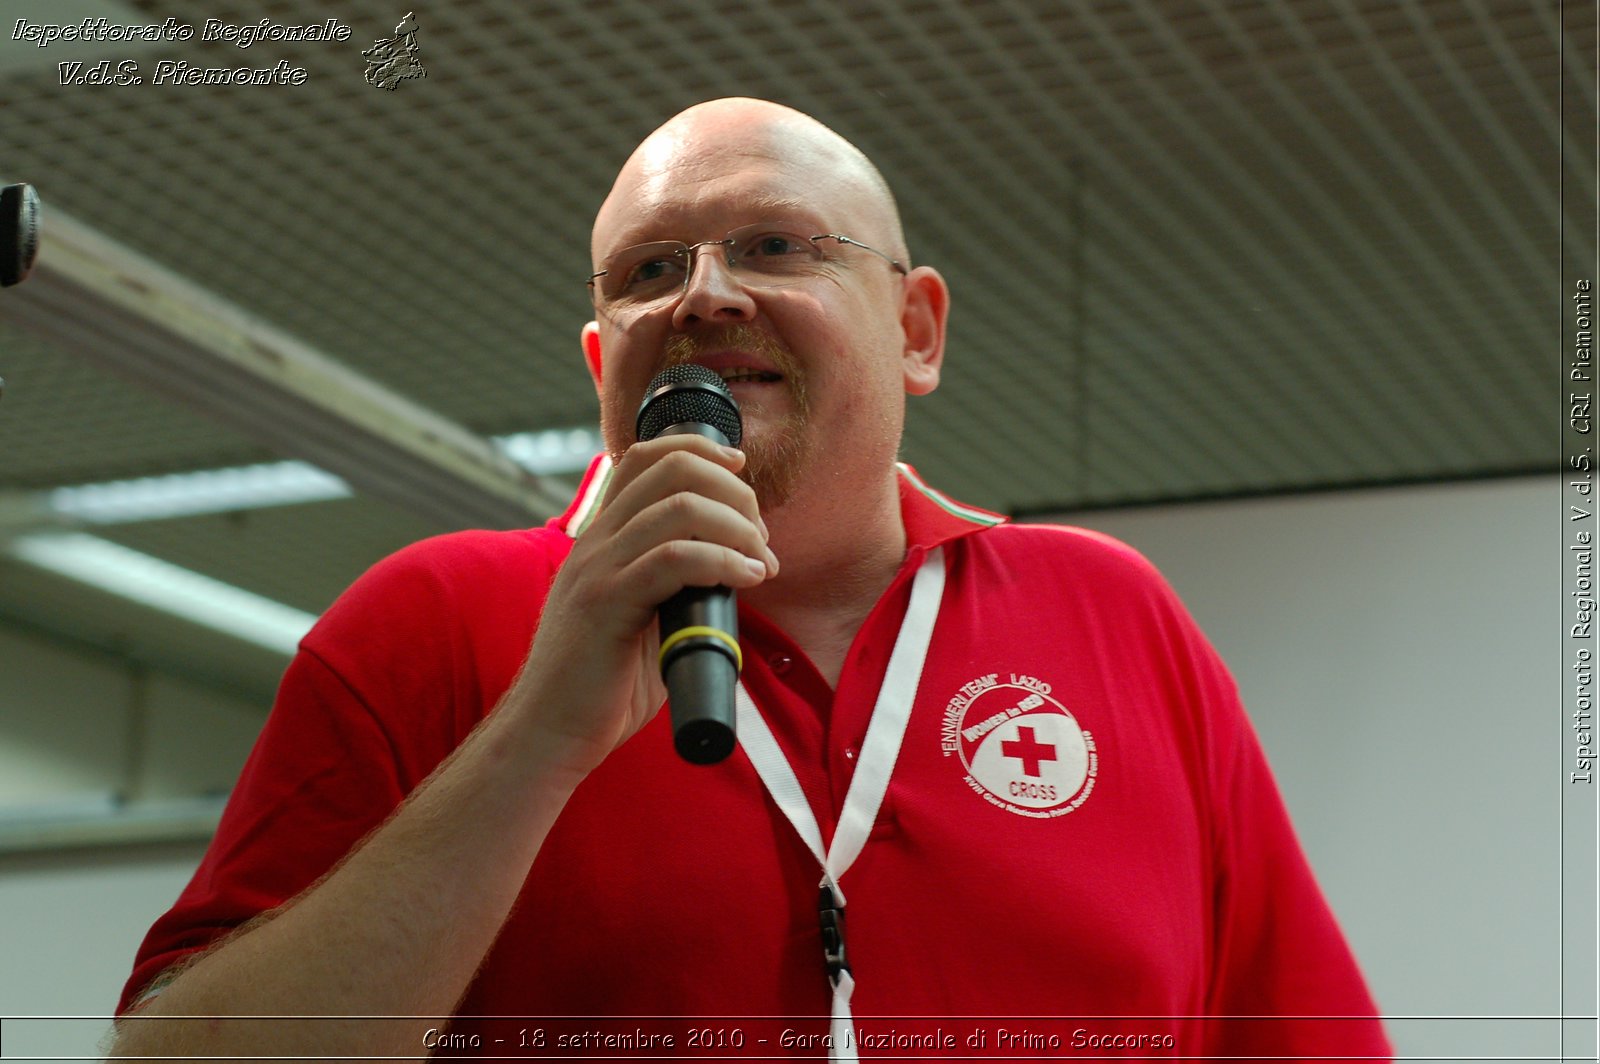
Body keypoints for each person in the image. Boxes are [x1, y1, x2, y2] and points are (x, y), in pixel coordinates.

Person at [112, 98, 1392, 1060]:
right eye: (649, 272)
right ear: (599, 352)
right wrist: (533, 746)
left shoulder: (1112, 614)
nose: (703, 296)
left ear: (916, 329)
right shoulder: (429, 620)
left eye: (775, 246)